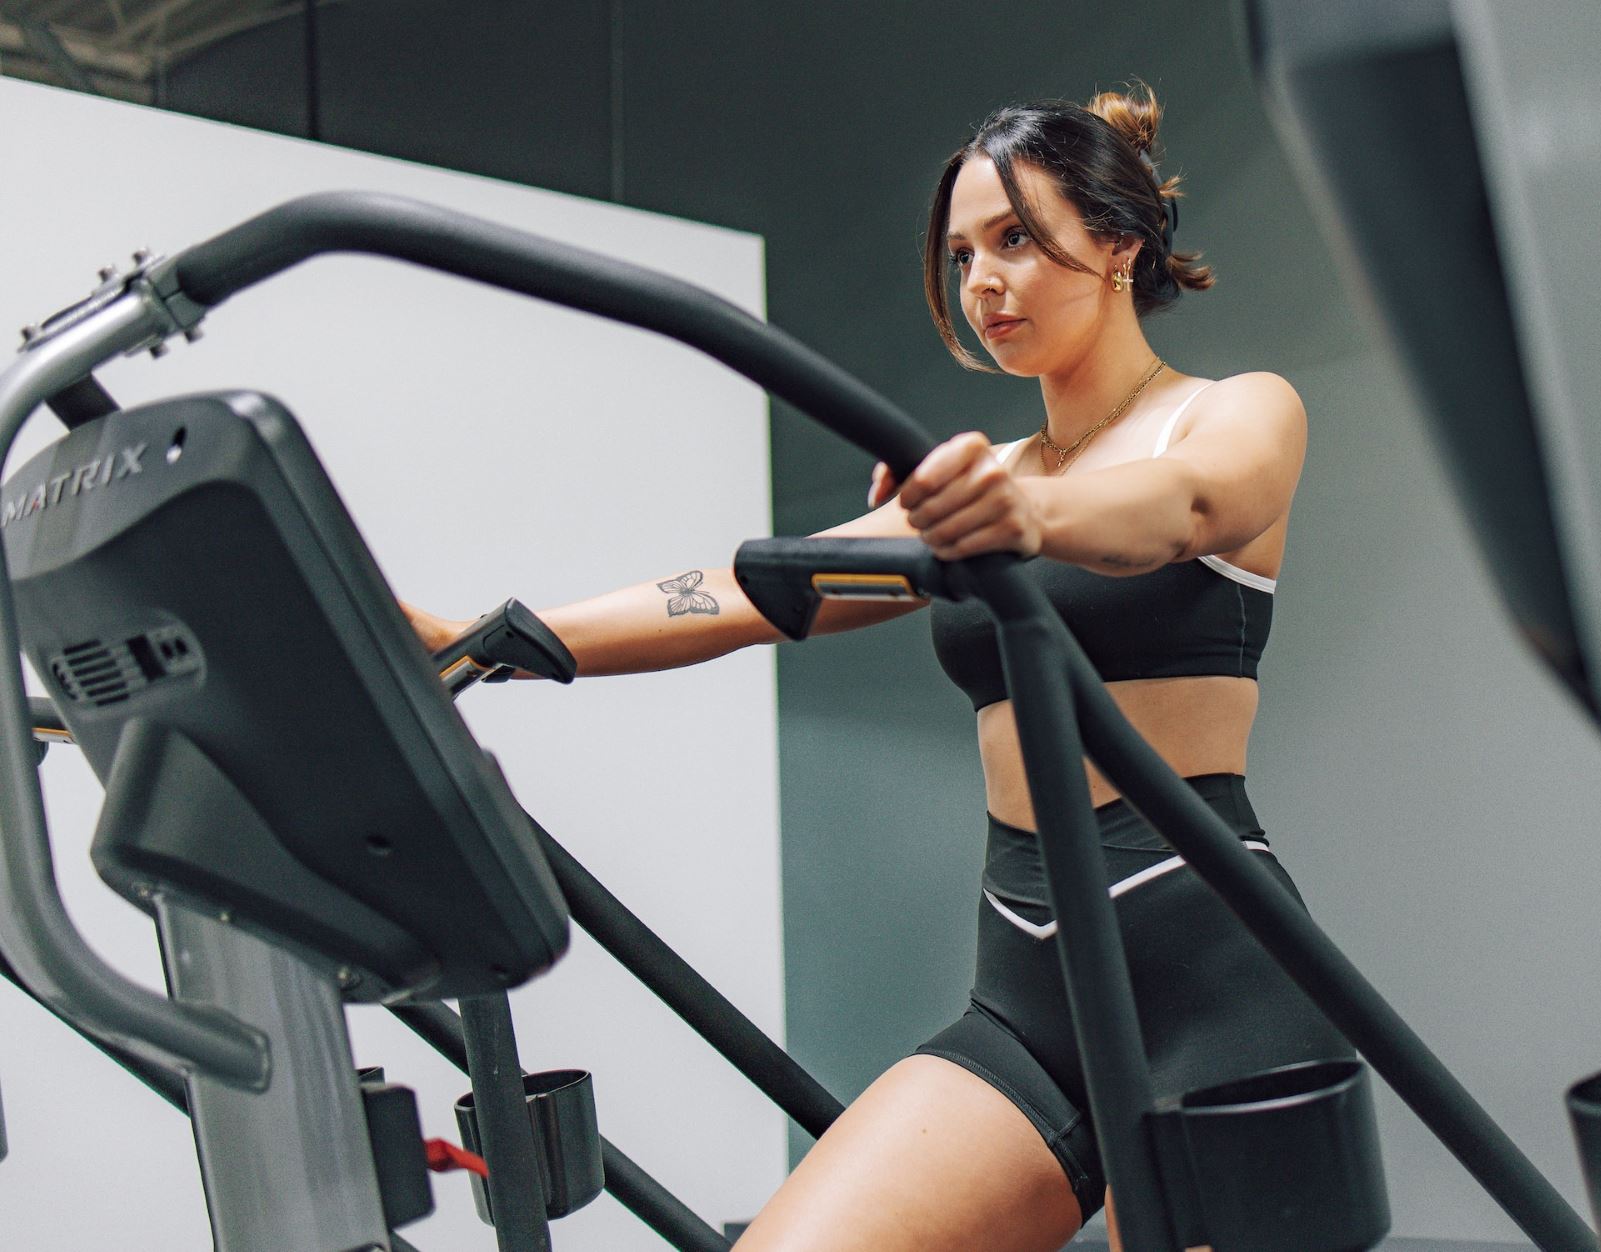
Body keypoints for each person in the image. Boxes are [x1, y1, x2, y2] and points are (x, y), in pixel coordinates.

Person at [406, 82, 1352, 1252]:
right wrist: (491, 638)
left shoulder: (1232, 413)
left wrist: (1013, 512)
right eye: (961, 256)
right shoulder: (971, 486)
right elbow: (757, 592)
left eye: (1013, 238)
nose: (981, 282)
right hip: (1025, 996)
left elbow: (1181, 507)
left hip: (1211, 983)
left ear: (1117, 240)